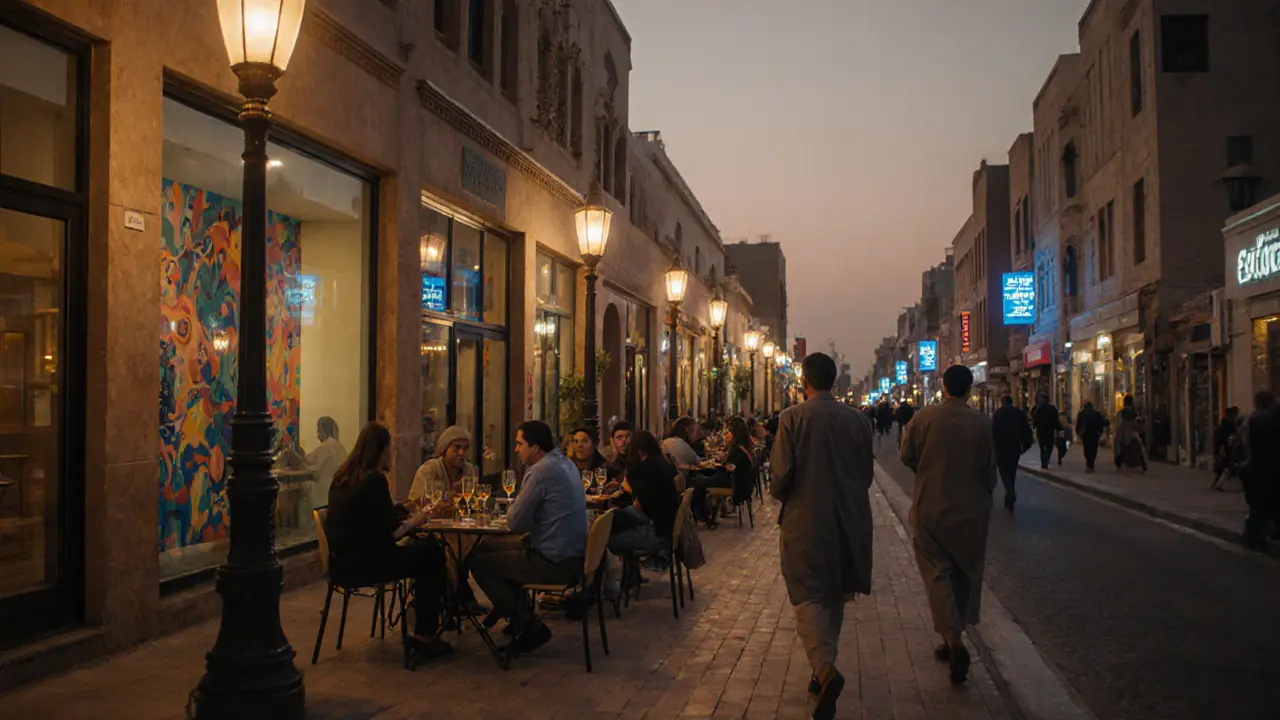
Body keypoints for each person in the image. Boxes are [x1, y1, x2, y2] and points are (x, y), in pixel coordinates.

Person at [770, 353, 874, 720]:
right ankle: (821, 671)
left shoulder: (792, 419)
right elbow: (866, 475)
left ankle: (825, 668)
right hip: (850, 518)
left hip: (806, 520)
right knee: (835, 590)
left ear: (805, 381)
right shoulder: (859, 421)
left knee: (807, 594)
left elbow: (780, 478)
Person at [899, 365, 996, 686]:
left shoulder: (924, 418)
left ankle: (952, 638)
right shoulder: (982, 423)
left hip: (931, 508)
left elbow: (906, 455)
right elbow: (989, 471)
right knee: (964, 574)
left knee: (937, 575)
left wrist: (927, 469)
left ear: (943, 387)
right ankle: (955, 635)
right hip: (970, 511)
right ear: (969, 389)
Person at [324, 422, 452, 660]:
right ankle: (426, 634)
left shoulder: (342, 478)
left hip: (341, 564)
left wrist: (408, 507)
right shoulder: (374, 480)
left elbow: (375, 515)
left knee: (424, 549)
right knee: (432, 554)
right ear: (381, 451)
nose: (392, 454)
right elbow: (392, 532)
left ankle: (428, 618)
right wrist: (419, 519)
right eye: (390, 449)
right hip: (368, 565)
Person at [469, 421, 587, 653]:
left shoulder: (541, 471)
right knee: (483, 547)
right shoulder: (566, 463)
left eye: (519, 444)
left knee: (478, 563)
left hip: (554, 563)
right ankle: (511, 609)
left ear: (535, 448)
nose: (515, 449)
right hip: (574, 557)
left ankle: (528, 623)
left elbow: (515, 523)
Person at [608, 430, 680, 557]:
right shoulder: (662, 464)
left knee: (609, 537)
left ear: (640, 453)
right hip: (666, 530)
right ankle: (633, 570)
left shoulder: (646, 469)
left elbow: (639, 507)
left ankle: (632, 569)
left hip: (656, 535)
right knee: (615, 521)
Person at [691, 417, 754, 527]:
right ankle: (704, 515)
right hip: (736, 481)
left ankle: (702, 516)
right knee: (700, 478)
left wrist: (722, 462)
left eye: (729, 432)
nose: (727, 435)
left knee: (696, 481)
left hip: (735, 484)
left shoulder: (738, 451)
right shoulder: (743, 447)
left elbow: (730, 468)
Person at [408, 425, 475, 508]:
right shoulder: (430, 469)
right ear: (445, 448)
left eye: (466, 448)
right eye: (457, 447)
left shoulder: (469, 471)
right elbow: (416, 502)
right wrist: (451, 494)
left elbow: (474, 503)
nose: (461, 453)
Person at [1244, 391, 1279, 550]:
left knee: (1259, 504)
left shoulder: (1257, 420)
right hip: (1270, 467)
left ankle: (1255, 535)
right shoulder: (1267, 418)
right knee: (1266, 504)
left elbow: (1253, 446)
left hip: (1261, 467)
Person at [991, 395, 1033, 511]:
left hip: (1001, 446)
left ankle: (1010, 491)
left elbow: (993, 430)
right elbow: (1026, 430)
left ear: (1002, 402)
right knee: (1012, 470)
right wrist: (1026, 445)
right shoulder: (1019, 413)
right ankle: (1010, 492)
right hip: (1014, 446)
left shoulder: (998, 413)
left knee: (1003, 470)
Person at [304, 416, 347, 518]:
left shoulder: (326, 448)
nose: (317, 433)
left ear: (323, 430)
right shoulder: (341, 447)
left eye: (318, 430)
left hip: (324, 498)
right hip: (340, 495)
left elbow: (310, 466)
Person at [662, 416, 703, 490]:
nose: (697, 434)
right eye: (695, 431)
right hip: (680, 486)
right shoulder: (681, 443)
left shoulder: (666, 441)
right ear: (688, 430)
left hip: (666, 484)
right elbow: (697, 461)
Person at [1030, 392, 1061, 469]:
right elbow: (1055, 420)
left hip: (1041, 430)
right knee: (1049, 447)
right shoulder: (1052, 408)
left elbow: (1033, 417)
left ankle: (1044, 460)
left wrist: (1034, 426)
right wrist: (1059, 428)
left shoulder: (1037, 408)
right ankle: (1046, 459)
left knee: (1042, 447)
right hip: (1049, 430)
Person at [1074, 401, 1107, 472]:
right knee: (1094, 448)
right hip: (1094, 433)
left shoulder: (1081, 413)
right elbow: (1101, 423)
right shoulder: (1097, 413)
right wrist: (1100, 432)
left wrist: (1078, 433)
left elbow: (1078, 424)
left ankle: (1089, 463)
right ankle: (1091, 462)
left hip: (1085, 433)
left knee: (1087, 448)